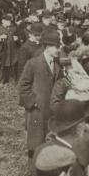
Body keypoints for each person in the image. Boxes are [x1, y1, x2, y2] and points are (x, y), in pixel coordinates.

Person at [18, 29, 63, 158]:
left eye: (58, 47)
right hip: (37, 112)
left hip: (52, 111)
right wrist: (33, 102)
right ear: (47, 47)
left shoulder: (57, 64)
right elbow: (23, 86)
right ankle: (35, 174)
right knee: (36, 145)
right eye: (55, 47)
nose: (58, 50)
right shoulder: (33, 63)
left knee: (51, 142)